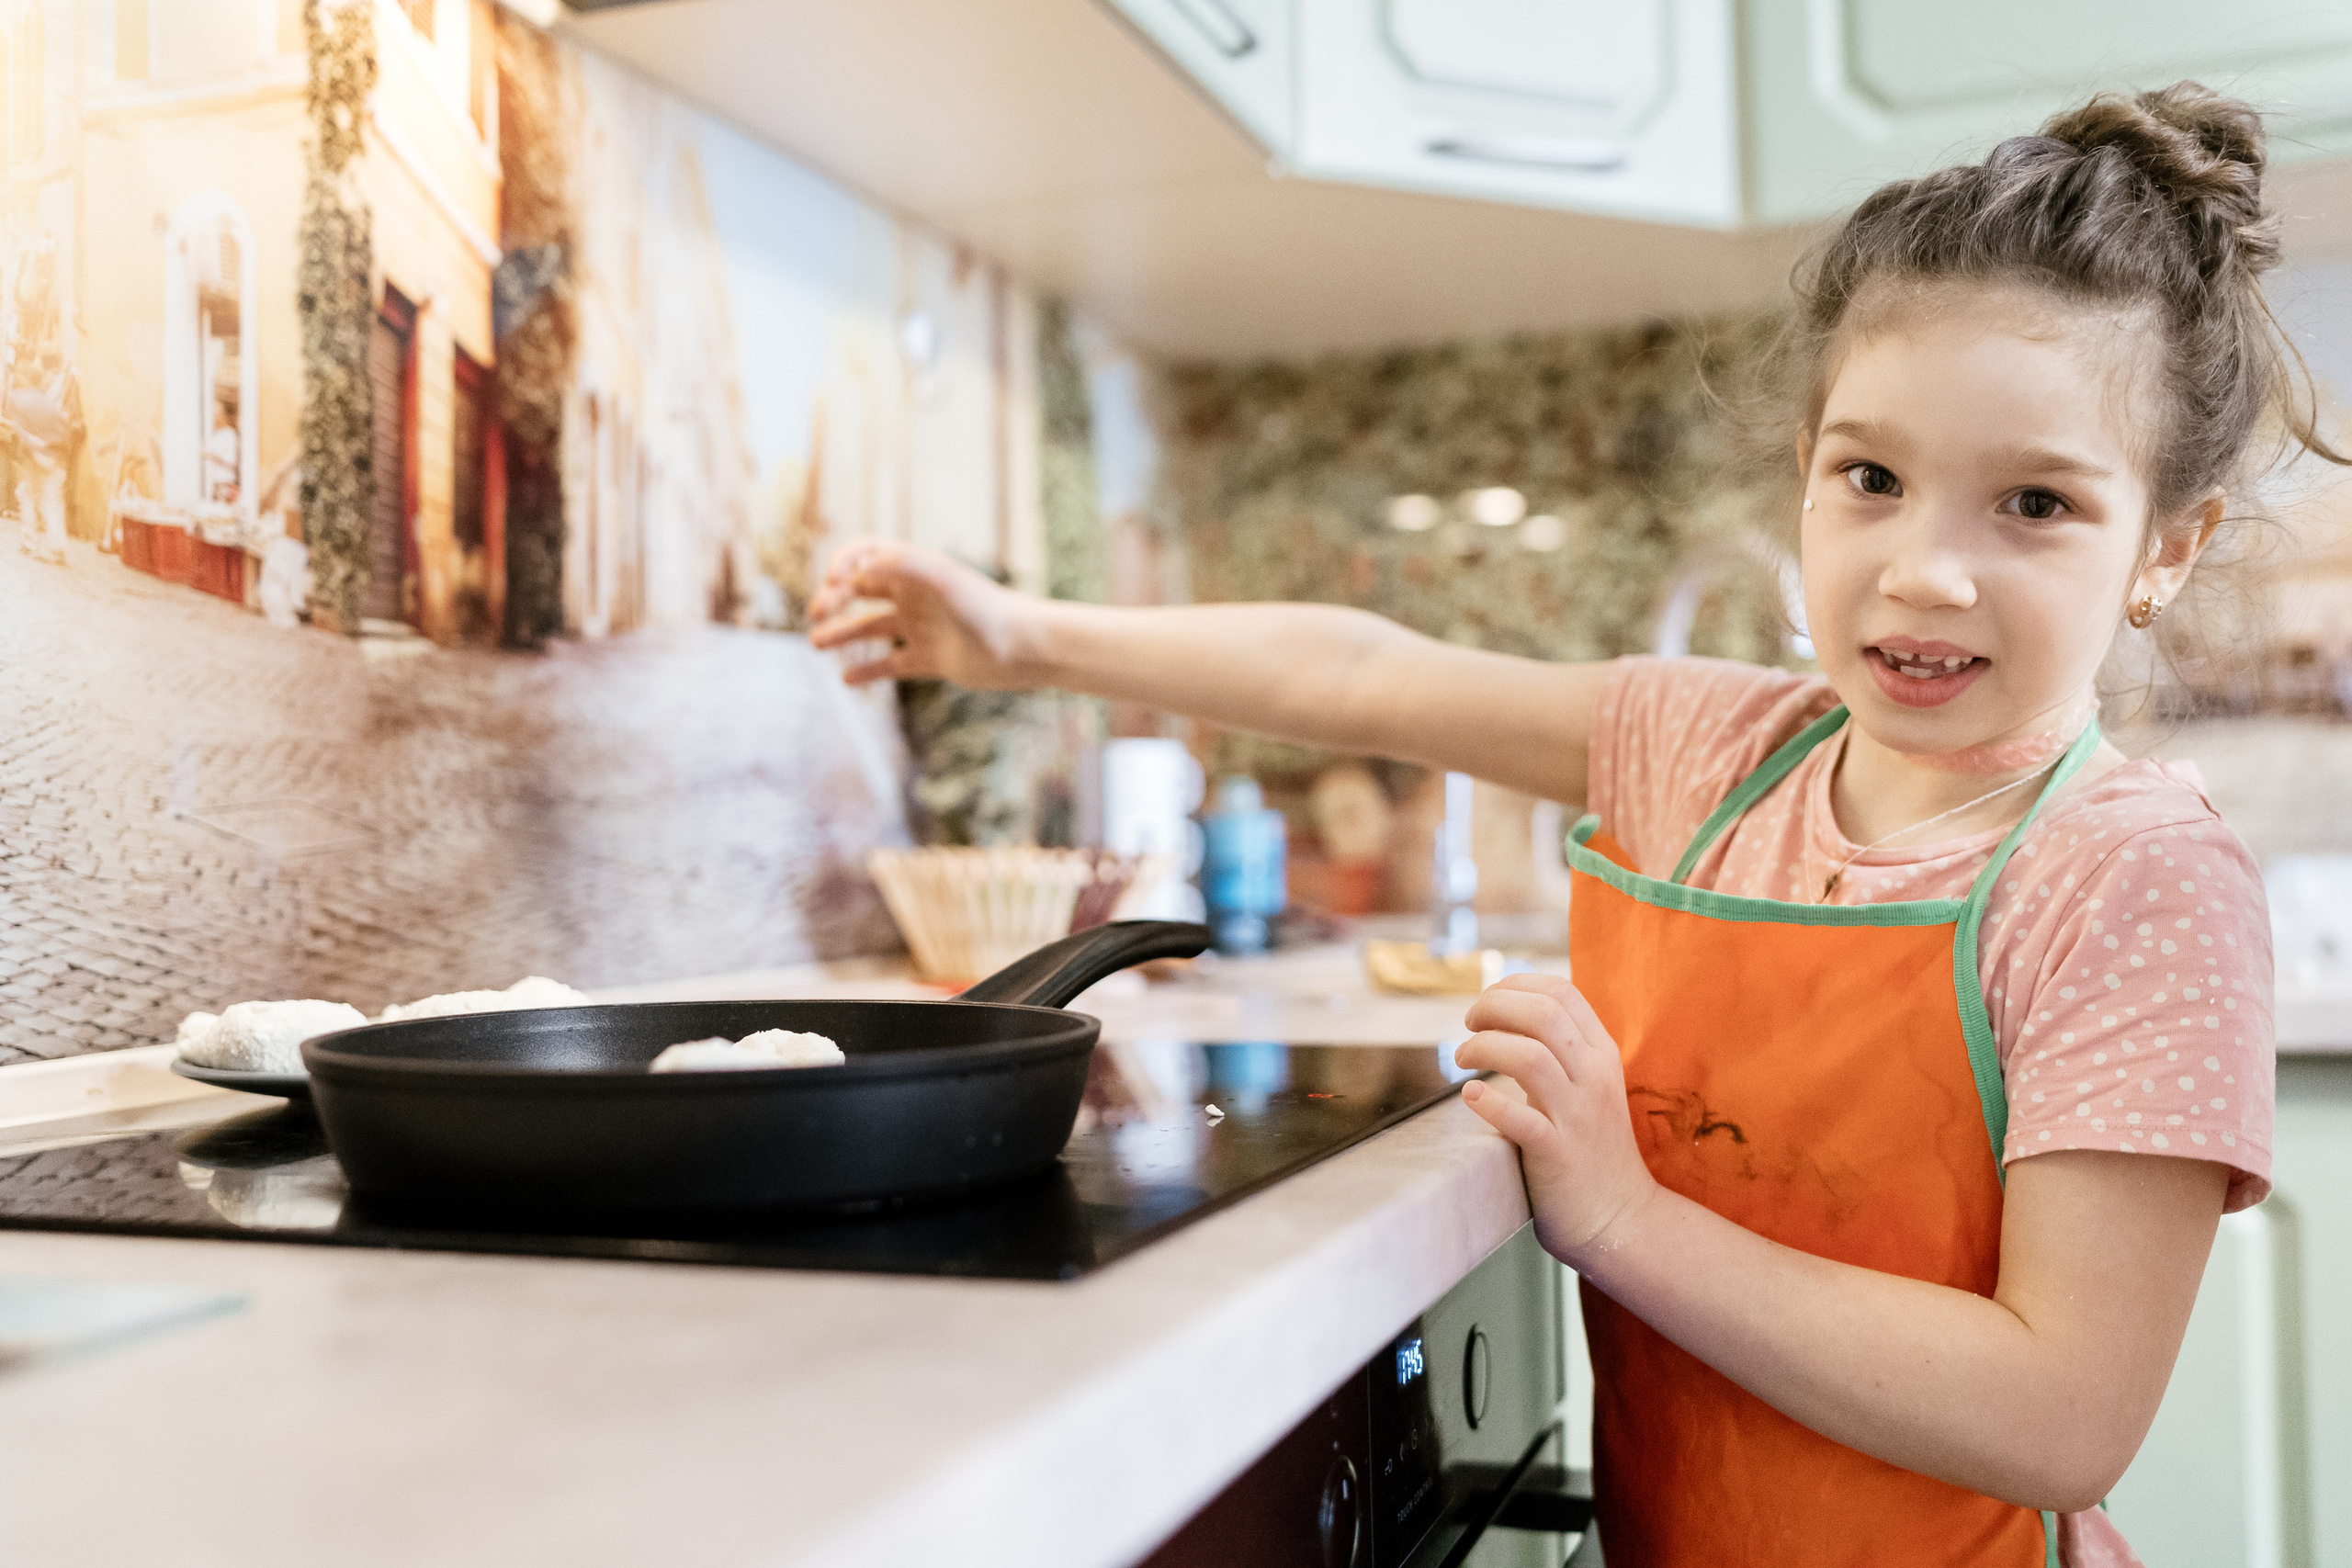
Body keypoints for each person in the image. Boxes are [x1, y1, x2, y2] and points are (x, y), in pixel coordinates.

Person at [808, 81, 2314, 1567]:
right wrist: (1019, 640)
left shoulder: (2128, 880)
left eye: (2035, 505)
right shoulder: (1712, 755)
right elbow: (1367, 673)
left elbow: (2061, 1414)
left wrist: (1627, 1218)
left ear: (2165, 550)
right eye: (1872, 477)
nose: (1925, 572)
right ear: (1805, 478)